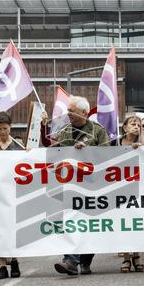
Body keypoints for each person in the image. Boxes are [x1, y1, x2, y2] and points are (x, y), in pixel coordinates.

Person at [52, 96, 109, 276]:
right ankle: (70, 260)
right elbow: (56, 154)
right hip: (70, 185)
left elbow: (108, 155)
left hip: (93, 184)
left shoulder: (98, 131)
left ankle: (84, 261)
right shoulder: (65, 131)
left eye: (72, 111)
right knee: (71, 221)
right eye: (67, 110)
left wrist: (88, 150)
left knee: (89, 224)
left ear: (84, 113)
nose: (68, 114)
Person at [0, 112, 25, 280]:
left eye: (5, 128)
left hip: (13, 192)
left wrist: (28, 154)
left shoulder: (18, 145)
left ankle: (14, 260)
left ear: (10, 127)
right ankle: (2, 265)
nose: (2, 132)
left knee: (12, 228)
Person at [117, 114, 144, 273]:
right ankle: (126, 257)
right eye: (133, 124)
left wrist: (141, 147)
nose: (136, 126)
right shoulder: (115, 143)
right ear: (125, 127)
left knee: (137, 222)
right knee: (124, 223)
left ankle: (137, 254)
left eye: (138, 125)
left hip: (139, 189)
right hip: (120, 188)